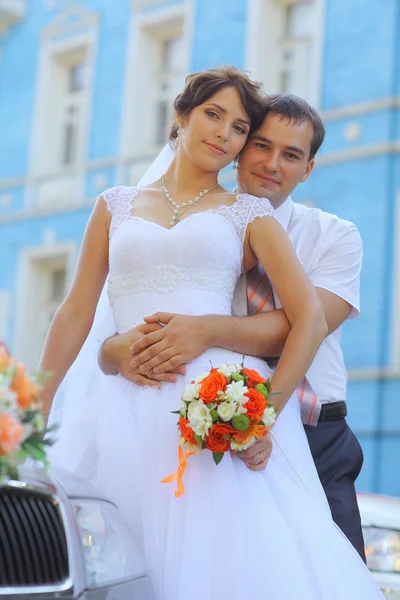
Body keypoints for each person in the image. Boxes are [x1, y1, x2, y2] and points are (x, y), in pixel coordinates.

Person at [42, 67, 382, 599]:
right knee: (105, 560)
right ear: (181, 115)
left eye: (238, 127)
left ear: (308, 167)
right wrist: (52, 399)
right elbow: (76, 313)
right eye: (214, 116)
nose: (225, 134)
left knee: (229, 561)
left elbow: (304, 321)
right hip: (119, 411)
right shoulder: (114, 204)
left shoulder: (257, 217)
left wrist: (259, 415)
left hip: (228, 407)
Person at [99, 94, 366, 560]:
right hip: (206, 429)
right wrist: (112, 350)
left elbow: (304, 325)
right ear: (241, 148)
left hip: (312, 429)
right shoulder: (186, 230)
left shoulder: (335, 236)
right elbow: (132, 309)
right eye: (261, 145)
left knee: (332, 571)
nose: (271, 163)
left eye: (291, 155)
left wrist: (206, 330)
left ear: (308, 169)